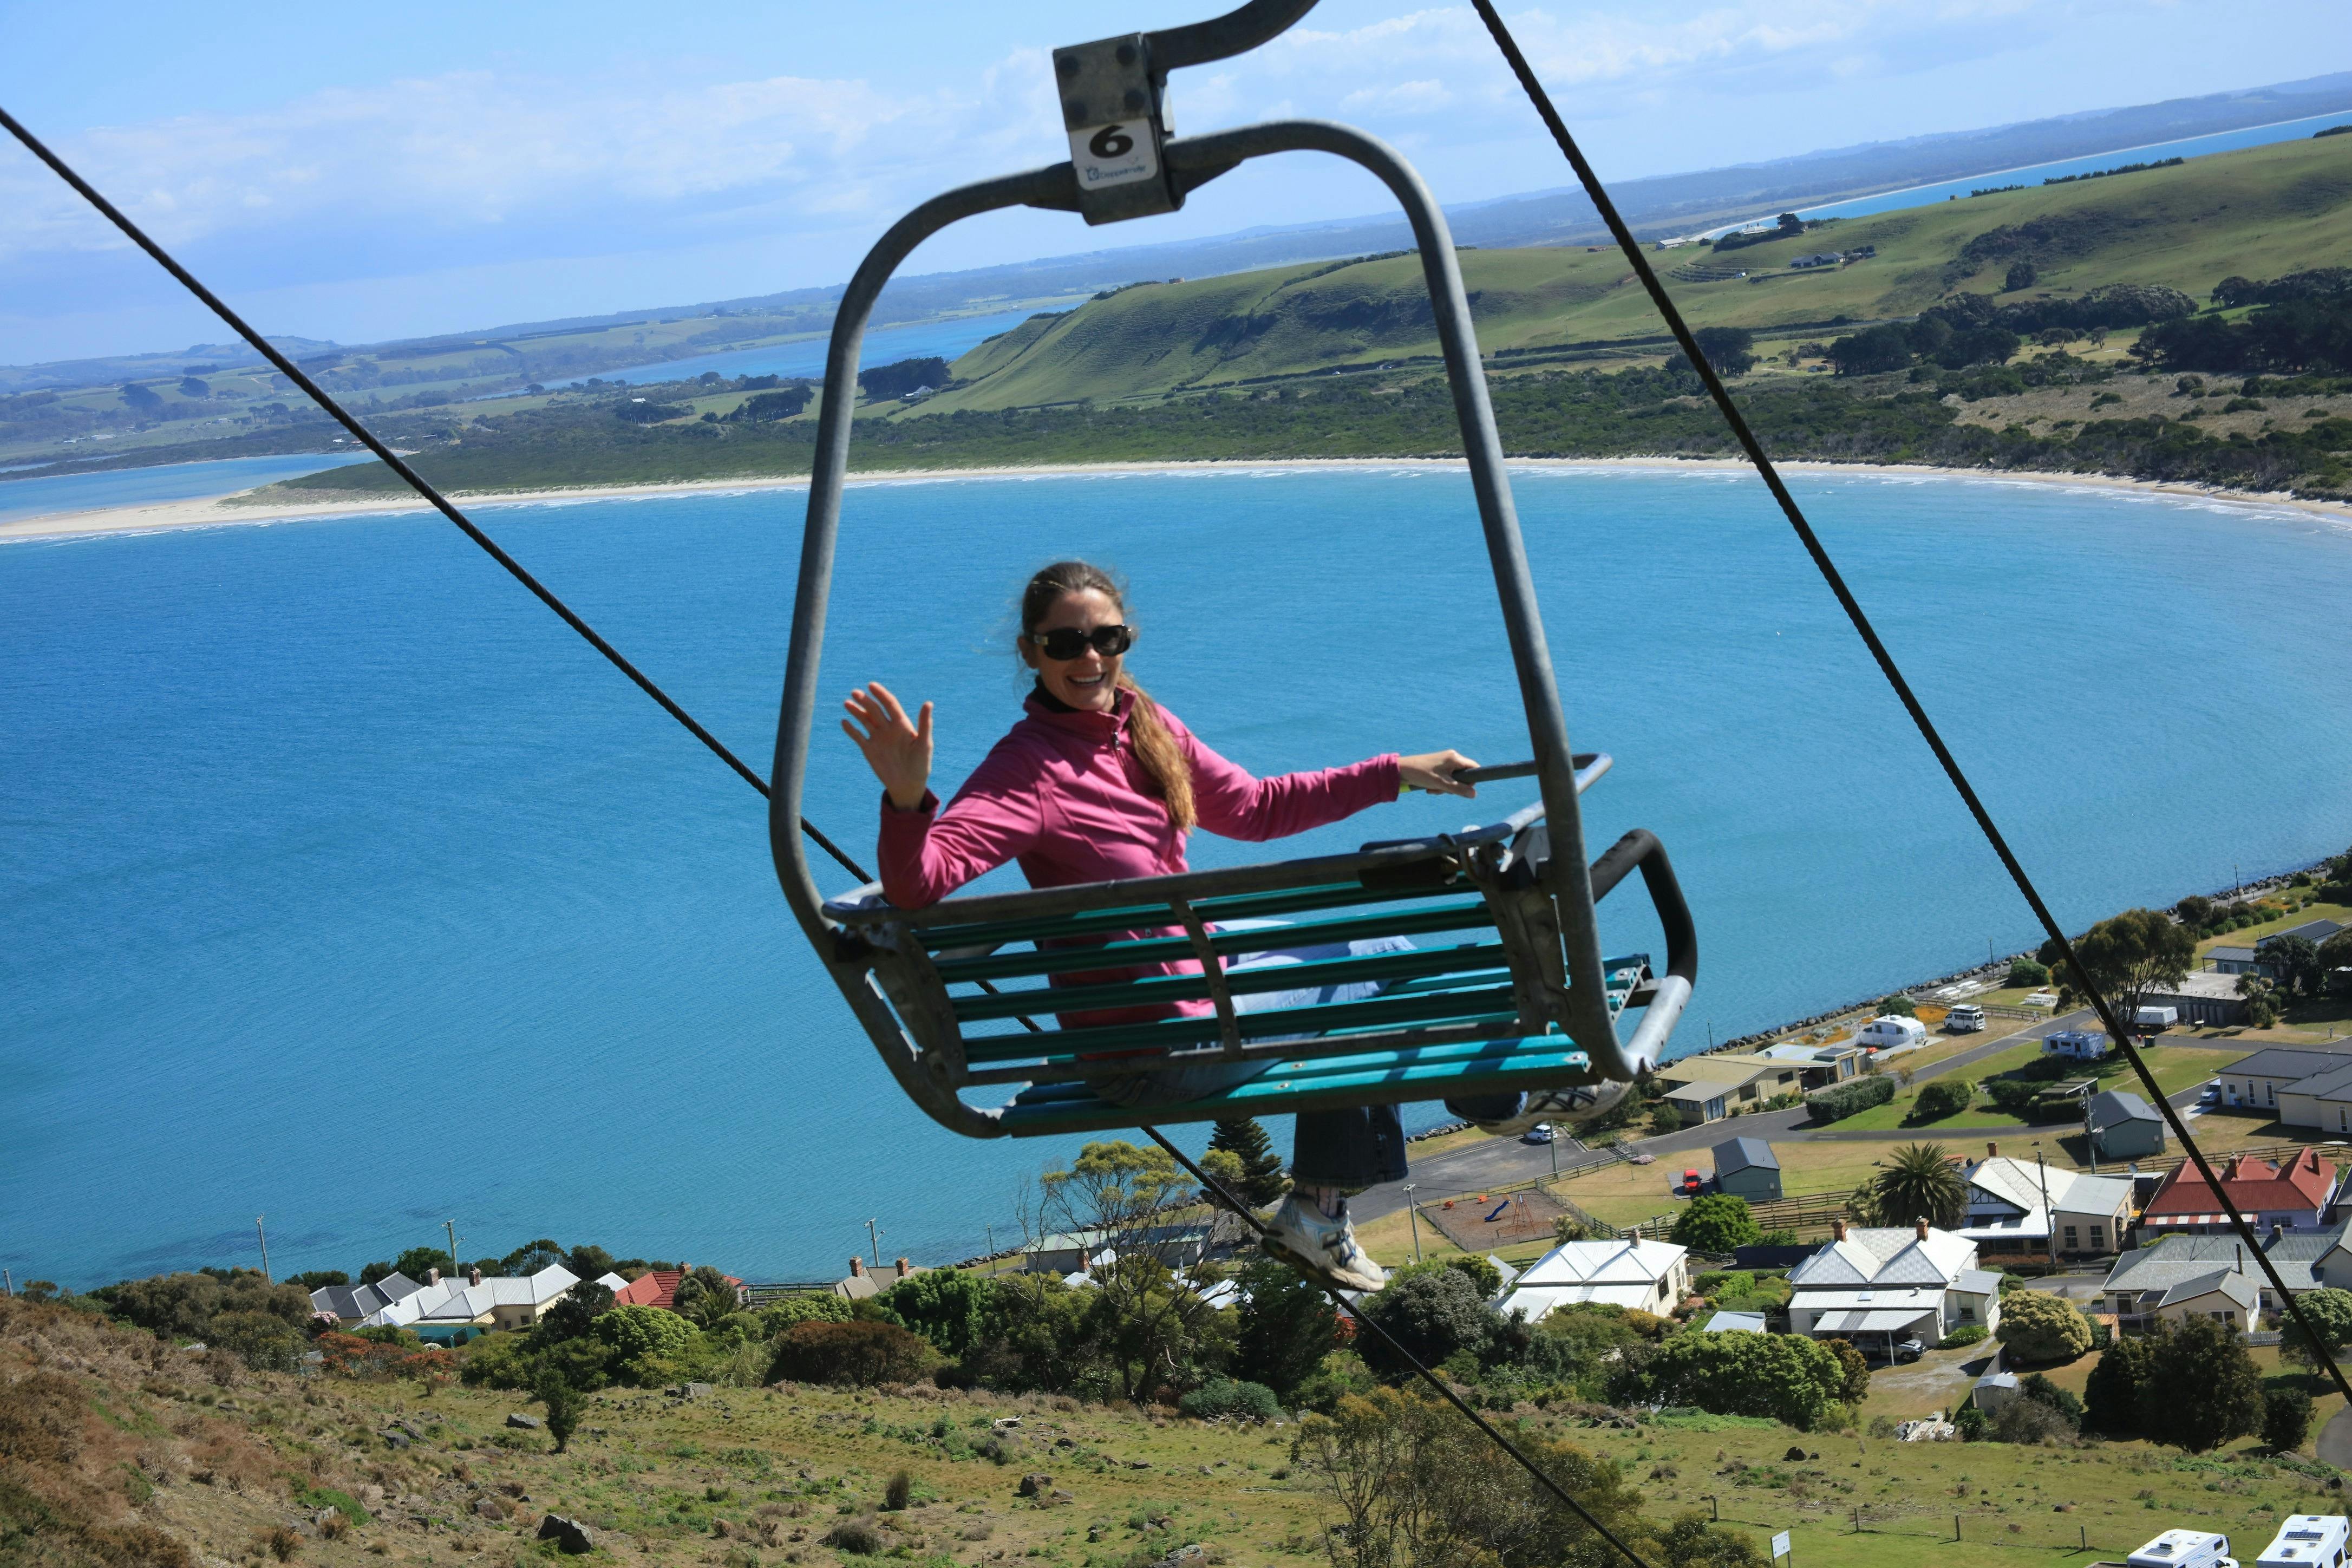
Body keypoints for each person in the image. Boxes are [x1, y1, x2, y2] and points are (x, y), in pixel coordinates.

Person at [843, 559, 1624, 1291]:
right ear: (1031, 651)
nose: (1088, 657)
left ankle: (1424, 1146)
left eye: (1106, 638)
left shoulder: (1146, 726)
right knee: (1359, 981)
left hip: (1194, 1012)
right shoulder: (1029, 772)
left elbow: (1255, 810)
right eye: (1065, 643)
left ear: (1126, 641)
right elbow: (921, 884)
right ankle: (1472, 1117)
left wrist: (1394, 772)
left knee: (1370, 957)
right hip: (1159, 1049)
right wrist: (909, 797)